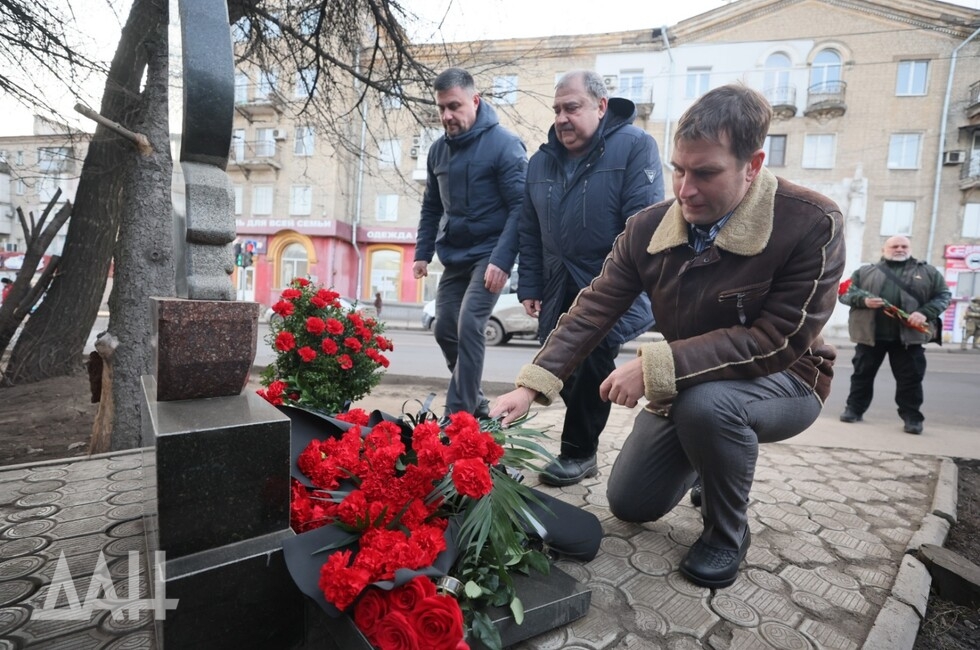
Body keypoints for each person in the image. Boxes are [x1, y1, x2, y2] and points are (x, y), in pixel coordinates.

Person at [491, 84, 845, 589]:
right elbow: (592, 309)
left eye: (706, 173)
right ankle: (711, 457)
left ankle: (727, 532)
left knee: (711, 408)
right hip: (689, 385)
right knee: (631, 504)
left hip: (785, 380)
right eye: (678, 169)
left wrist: (657, 366)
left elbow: (777, 338)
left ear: (753, 163)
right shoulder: (648, 228)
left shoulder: (811, 223)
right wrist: (531, 385)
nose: (685, 190)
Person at [518, 70, 664, 486]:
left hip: (610, 282)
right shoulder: (541, 160)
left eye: (573, 107)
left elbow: (642, 223)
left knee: (592, 357)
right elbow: (530, 228)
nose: (563, 117)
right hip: (555, 279)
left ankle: (579, 453)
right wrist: (529, 283)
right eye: (558, 109)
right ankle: (582, 442)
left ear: (601, 107)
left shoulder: (635, 147)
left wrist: (621, 283)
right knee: (560, 361)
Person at [413, 67, 527, 419]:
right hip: (456, 256)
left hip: (491, 254)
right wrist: (422, 253)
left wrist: (503, 260)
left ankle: (458, 416)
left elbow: (522, 207)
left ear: (475, 101)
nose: (447, 115)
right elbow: (432, 206)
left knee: (470, 323)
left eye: (455, 106)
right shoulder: (437, 152)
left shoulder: (504, 145)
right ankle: (475, 401)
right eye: (442, 108)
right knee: (445, 326)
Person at [838, 235, 951, 434]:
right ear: (884, 249)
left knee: (911, 379)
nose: (899, 249)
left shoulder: (927, 272)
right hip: (870, 336)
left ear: (910, 248)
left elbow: (943, 296)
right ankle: (854, 409)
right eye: (894, 246)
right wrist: (862, 301)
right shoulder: (865, 271)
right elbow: (843, 294)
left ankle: (912, 418)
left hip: (908, 339)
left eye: (904, 246)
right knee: (862, 376)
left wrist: (924, 313)